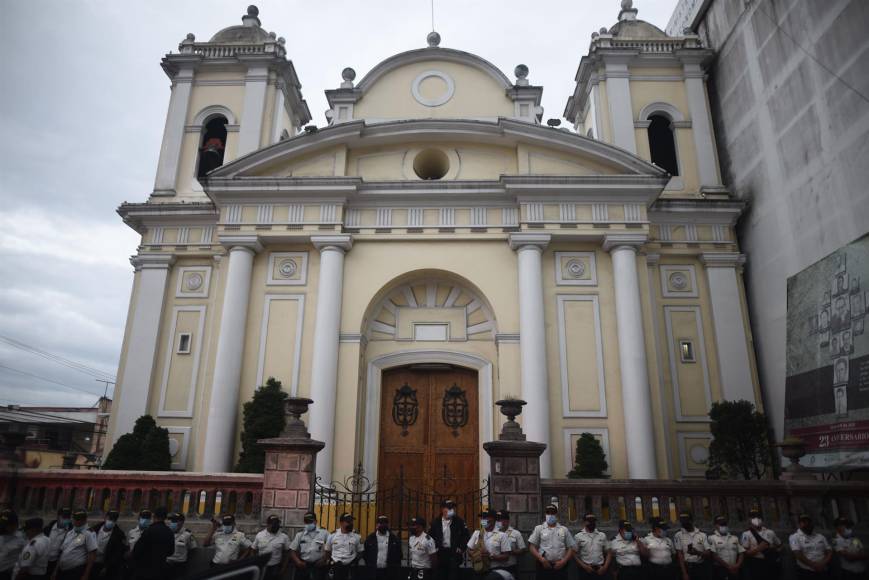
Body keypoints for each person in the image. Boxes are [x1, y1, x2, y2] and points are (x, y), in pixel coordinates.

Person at [528, 504, 575, 580]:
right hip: (544, 566)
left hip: (560, 567)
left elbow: (570, 547)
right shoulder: (539, 528)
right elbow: (531, 546)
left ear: (557, 515)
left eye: (553, 513)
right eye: (548, 513)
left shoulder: (564, 529)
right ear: (545, 514)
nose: (550, 515)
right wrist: (541, 559)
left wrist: (564, 561)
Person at [428, 500, 468, 580]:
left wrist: (461, 548)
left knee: (453, 576)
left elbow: (466, 536)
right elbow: (430, 537)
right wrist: (434, 549)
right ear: (442, 509)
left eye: (452, 508)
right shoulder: (436, 522)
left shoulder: (459, 521)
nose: (451, 510)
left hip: (454, 553)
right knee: (440, 575)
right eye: (449, 508)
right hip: (440, 553)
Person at [466, 510, 511, 580]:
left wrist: (491, 556)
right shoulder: (477, 533)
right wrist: (476, 555)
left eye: (487, 518)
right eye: (483, 518)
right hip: (478, 569)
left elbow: (506, 556)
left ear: (494, 520)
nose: (484, 520)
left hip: (495, 571)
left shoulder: (502, 535)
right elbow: (469, 550)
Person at [131, 506, 174, 580]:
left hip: (144, 569)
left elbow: (137, 550)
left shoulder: (149, 530)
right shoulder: (169, 532)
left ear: (154, 516)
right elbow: (170, 552)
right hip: (160, 569)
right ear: (165, 517)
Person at [51, 510, 96, 580]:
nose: (75, 521)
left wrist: (86, 574)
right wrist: (55, 571)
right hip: (62, 570)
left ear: (84, 520)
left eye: (78, 519)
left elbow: (92, 555)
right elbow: (63, 552)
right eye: (74, 519)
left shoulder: (89, 533)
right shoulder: (70, 532)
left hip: (75, 571)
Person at [740, 509, 781, 580]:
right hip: (756, 563)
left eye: (758, 517)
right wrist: (759, 548)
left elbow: (780, 545)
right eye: (753, 517)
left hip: (770, 562)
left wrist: (774, 550)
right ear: (749, 520)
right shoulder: (746, 534)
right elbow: (745, 553)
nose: (756, 519)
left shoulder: (770, 532)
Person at [790, 514, 832, 579]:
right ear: (799, 524)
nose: (807, 524)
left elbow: (829, 550)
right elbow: (797, 554)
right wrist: (814, 565)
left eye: (809, 522)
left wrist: (824, 563)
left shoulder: (820, 536)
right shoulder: (794, 537)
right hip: (807, 572)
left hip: (823, 569)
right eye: (804, 522)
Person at [289, 512, 329, 580]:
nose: (308, 524)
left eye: (310, 521)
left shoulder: (324, 533)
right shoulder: (300, 534)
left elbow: (330, 548)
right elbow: (292, 550)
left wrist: (324, 559)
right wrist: (298, 562)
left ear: (316, 521)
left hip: (319, 566)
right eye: (307, 522)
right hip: (304, 566)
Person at [325, 513, 363, 580]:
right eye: (348, 522)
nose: (351, 524)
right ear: (341, 523)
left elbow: (360, 551)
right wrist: (330, 561)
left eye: (351, 521)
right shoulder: (332, 535)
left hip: (350, 568)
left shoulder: (356, 536)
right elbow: (328, 550)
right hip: (335, 567)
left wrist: (354, 561)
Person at [674, 512, 711, 580]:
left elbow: (708, 553)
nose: (684, 523)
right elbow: (680, 555)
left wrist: (698, 553)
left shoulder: (702, 535)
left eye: (686, 521)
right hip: (687, 567)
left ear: (691, 521)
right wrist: (684, 573)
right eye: (682, 521)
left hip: (700, 567)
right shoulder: (678, 535)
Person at [363, 516, 401, 580]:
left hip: (389, 573)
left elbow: (399, 555)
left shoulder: (394, 539)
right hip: (374, 572)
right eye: (380, 523)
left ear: (388, 525)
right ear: (377, 525)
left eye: (385, 523)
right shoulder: (370, 538)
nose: (383, 525)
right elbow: (366, 554)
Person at [252, 515, 290, 580]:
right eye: (273, 524)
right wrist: (255, 564)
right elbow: (253, 549)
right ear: (268, 524)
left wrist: (283, 568)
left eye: (277, 524)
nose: (276, 526)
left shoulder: (284, 537)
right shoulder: (260, 535)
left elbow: (287, 553)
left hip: (276, 567)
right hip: (262, 567)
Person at [90, 510, 125, 580]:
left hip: (104, 565)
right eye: (110, 518)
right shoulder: (94, 529)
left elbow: (117, 553)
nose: (111, 521)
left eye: (114, 520)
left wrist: (107, 567)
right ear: (105, 517)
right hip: (89, 562)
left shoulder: (119, 534)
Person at [573, 513, 610, 579]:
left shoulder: (602, 535)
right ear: (584, 522)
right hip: (586, 570)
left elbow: (609, 552)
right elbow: (573, 553)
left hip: (600, 569)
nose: (591, 523)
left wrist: (605, 567)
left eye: (593, 521)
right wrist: (584, 566)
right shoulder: (578, 536)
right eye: (589, 521)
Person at [707, 516, 744, 580]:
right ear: (716, 525)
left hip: (735, 568)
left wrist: (738, 565)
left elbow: (741, 552)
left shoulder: (734, 538)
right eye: (721, 525)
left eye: (724, 524)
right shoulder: (711, 538)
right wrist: (728, 567)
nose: (723, 526)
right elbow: (714, 555)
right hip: (720, 569)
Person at [165, 513, 197, 579]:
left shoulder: (187, 534)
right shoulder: (166, 531)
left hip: (179, 566)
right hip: (166, 564)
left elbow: (193, 548)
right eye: (172, 521)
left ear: (182, 522)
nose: (173, 523)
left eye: (176, 521)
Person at [46, 509, 72, 578]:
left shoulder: (70, 532)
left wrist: (56, 570)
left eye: (68, 517)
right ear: (58, 516)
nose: (66, 519)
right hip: (42, 561)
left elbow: (64, 551)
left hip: (56, 563)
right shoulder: (48, 528)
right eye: (64, 517)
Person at [1, 511, 26, 580]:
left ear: (15, 525)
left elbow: (24, 558)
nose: (3, 527)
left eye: (6, 525)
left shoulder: (22, 539)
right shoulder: (2, 532)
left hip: (6, 572)